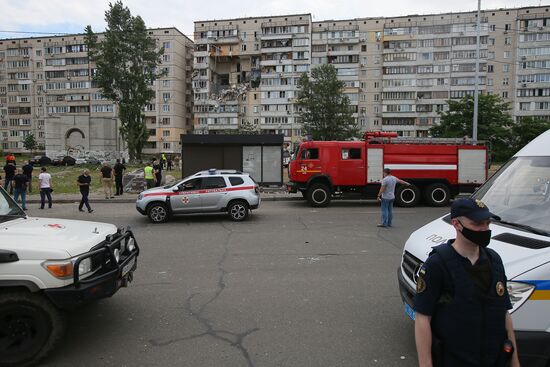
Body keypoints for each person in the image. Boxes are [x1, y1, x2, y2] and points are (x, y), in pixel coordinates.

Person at [414, 198, 520, 367]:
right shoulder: (437, 264)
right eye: (477, 223)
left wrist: (515, 361)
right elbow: (423, 318)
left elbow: (504, 313)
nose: (484, 229)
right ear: (456, 224)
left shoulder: (494, 260)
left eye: (487, 223)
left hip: (493, 359)